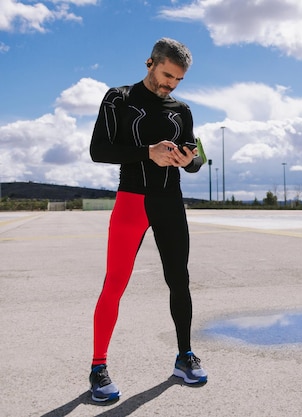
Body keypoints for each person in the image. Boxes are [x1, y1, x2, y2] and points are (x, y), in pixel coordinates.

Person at [88, 37, 207, 402]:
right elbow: (99, 150)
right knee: (115, 283)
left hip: (170, 202)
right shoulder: (118, 98)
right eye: (167, 75)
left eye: (178, 80)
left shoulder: (182, 110)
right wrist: (147, 153)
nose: (170, 84)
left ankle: (184, 355)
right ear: (151, 62)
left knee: (179, 280)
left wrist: (192, 161)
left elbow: (198, 158)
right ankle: (98, 367)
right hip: (132, 201)